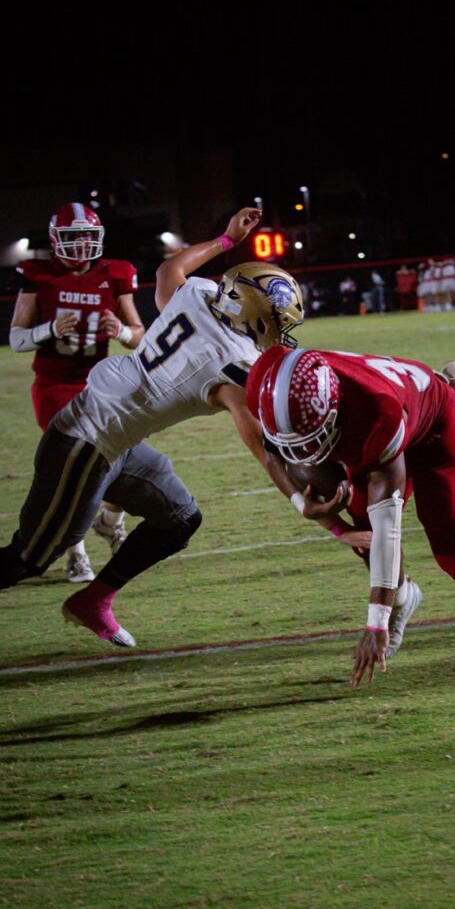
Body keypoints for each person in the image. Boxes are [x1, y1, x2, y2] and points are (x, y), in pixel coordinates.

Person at [0, 207, 312, 648]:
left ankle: (93, 601)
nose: (279, 333)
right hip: (85, 442)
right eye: (277, 323)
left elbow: (172, 268)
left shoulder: (197, 295)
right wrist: (308, 503)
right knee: (27, 559)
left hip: (114, 439)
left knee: (180, 517)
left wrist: (225, 241)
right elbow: (262, 446)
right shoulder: (230, 366)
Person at [247, 346, 455, 687]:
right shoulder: (271, 380)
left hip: (432, 422)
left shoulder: (376, 417)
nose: (304, 452)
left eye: (311, 441)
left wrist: (375, 622)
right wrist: (303, 505)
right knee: (344, 512)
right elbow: (271, 449)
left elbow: (388, 531)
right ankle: (405, 597)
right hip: (383, 414)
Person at [11, 203, 144, 582]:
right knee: (73, 471)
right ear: (56, 241)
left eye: (88, 235)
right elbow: (17, 338)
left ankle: (109, 522)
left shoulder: (114, 274)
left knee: (126, 457)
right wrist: (48, 330)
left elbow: (139, 335)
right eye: (73, 237)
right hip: (54, 385)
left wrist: (119, 330)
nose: (83, 244)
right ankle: (76, 552)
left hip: (100, 384)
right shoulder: (39, 276)